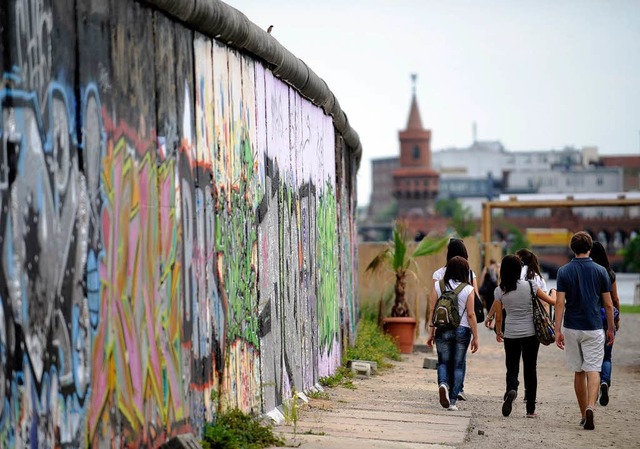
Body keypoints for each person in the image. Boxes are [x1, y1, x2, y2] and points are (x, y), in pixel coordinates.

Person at [554, 231, 615, 431]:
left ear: (573, 248)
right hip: (595, 326)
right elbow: (608, 304)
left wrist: (557, 330)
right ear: (589, 248)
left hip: (572, 326)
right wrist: (611, 328)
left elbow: (560, 303)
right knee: (594, 369)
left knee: (578, 371)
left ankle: (582, 414)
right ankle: (591, 406)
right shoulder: (601, 271)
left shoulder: (563, 271)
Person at [494, 254, 556, 418]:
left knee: (512, 367)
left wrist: (499, 331)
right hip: (530, 334)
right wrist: (554, 292)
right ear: (519, 269)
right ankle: (530, 410)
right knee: (530, 369)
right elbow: (551, 301)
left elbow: (499, 317)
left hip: (511, 334)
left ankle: (511, 389)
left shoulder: (500, 290)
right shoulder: (531, 286)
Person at [429, 238, 480, 401]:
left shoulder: (438, 276)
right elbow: (473, 308)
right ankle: (456, 393)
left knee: (443, 361)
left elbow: (434, 307)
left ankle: (444, 384)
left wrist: (431, 330)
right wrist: (476, 335)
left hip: (442, 326)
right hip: (462, 326)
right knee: (459, 362)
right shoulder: (469, 275)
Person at [589, 241, 621, 407]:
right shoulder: (610, 273)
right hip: (606, 318)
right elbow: (614, 299)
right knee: (607, 356)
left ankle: (593, 388)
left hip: (592, 319)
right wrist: (616, 319)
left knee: (593, 357)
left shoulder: (589, 272)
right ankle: (605, 382)